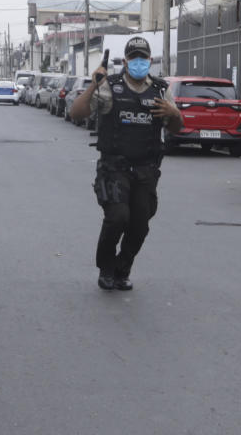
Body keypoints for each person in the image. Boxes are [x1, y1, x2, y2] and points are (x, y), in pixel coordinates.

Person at [70, 36, 183, 291]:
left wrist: (174, 114)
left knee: (140, 225)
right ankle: (106, 268)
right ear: (126, 61)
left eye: (144, 58)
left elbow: (176, 127)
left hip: (146, 170)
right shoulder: (110, 86)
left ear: (150, 61)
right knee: (118, 217)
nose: (139, 62)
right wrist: (92, 85)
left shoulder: (160, 90)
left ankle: (122, 269)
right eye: (134, 58)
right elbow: (76, 113)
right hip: (115, 168)